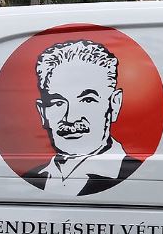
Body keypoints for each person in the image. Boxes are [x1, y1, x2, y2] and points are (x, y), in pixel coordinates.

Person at [22, 39, 141, 196]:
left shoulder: (139, 177)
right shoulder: (32, 177)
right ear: (43, 112)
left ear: (114, 104)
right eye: (58, 103)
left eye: (87, 100)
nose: (70, 118)